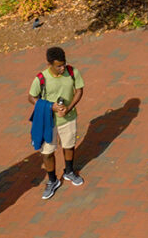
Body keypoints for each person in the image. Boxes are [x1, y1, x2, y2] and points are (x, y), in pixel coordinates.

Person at [28, 46, 86, 200]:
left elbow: (79, 90)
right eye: (58, 66)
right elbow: (31, 97)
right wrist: (50, 106)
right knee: (47, 153)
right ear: (49, 64)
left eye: (63, 64)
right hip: (48, 122)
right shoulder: (41, 78)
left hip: (68, 118)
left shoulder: (72, 72)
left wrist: (69, 107)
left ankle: (69, 172)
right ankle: (52, 181)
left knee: (69, 145)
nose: (62, 68)